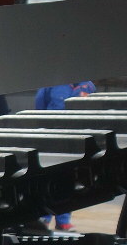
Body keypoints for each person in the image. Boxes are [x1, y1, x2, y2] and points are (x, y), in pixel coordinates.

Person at [34, 80, 96, 231]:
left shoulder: (89, 86)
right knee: (47, 178)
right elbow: (40, 106)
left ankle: (63, 220)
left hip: (75, 140)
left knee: (69, 178)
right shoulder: (52, 84)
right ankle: (44, 217)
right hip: (51, 139)